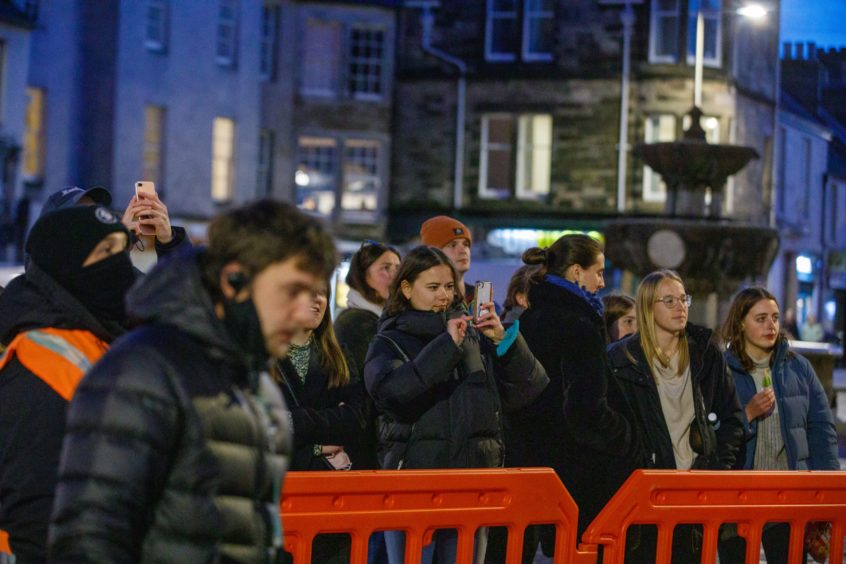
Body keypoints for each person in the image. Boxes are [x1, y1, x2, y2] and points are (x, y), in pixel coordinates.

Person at [48, 200, 337, 562]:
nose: (302, 312)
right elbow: (90, 540)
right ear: (234, 281)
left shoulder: (260, 387)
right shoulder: (144, 370)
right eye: (291, 292)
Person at [364, 246, 548, 564]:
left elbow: (529, 388)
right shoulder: (389, 340)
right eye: (432, 287)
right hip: (415, 490)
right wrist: (446, 347)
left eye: (448, 287)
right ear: (406, 289)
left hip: (472, 486)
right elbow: (392, 395)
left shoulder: (474, 336)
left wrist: (502, 341)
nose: (443, 296)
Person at [0, 206, 133, 561]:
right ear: (68, 266)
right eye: (105, 251)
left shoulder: (102, 337)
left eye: (123, 248)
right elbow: (35, 506)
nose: (119, 263)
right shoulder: (41, 360)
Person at [511, 234, 641, 559]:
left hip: (538, 468)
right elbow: (586, 408)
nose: (601, 283)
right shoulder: (580, 326)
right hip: (580, 471)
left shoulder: (530, 317)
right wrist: (628, 438)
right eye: (597, 273)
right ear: (575, 272)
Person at [607, 270, 743, 563]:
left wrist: (714, 469)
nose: (680, 307)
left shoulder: (706, 353)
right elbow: (609, 426)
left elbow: (733, 419)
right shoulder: (620, 360)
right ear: (647, 306)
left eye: (683, 299)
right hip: (643, 496)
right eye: (668, 300)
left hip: (694, 494)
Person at [717, 287, 838, 563]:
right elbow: (709, 430)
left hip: (788, 495)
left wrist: (826, 490)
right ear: (740, 324)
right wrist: (746, 414)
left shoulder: (798, 368)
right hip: (738, 496)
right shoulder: (722, 370)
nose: (770, 325)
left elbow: (821, 429)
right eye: (760, 318)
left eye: (775, 317)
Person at [277, 280, 370, 563]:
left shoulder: (338, 355)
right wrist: (318, 447)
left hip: (327, 496)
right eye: (309, 292)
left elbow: (355, 419)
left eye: (323, 293)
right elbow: (263, 426)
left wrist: (294, 422)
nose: (318, 300)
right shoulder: (261, 354)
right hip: (280, 491)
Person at [40, 185, 192, 272]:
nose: (92, 220)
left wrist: (169, 241)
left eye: (95, 212)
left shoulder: (123, 278)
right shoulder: (38, 290)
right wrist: (115, 248)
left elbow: (174, 301)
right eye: (80, 215)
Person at [335, 240, 401, 382]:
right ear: (363, 275)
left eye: (398, 268)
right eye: (386, 268)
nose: (395, 276)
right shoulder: (356, 322)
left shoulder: (386, 317)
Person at [419, 215, 500, 314]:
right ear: (433, 254)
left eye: (466, 244)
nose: (463, 251)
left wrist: (498, 329)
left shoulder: (486, 304)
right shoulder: (422, 304)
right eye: (452, 245)